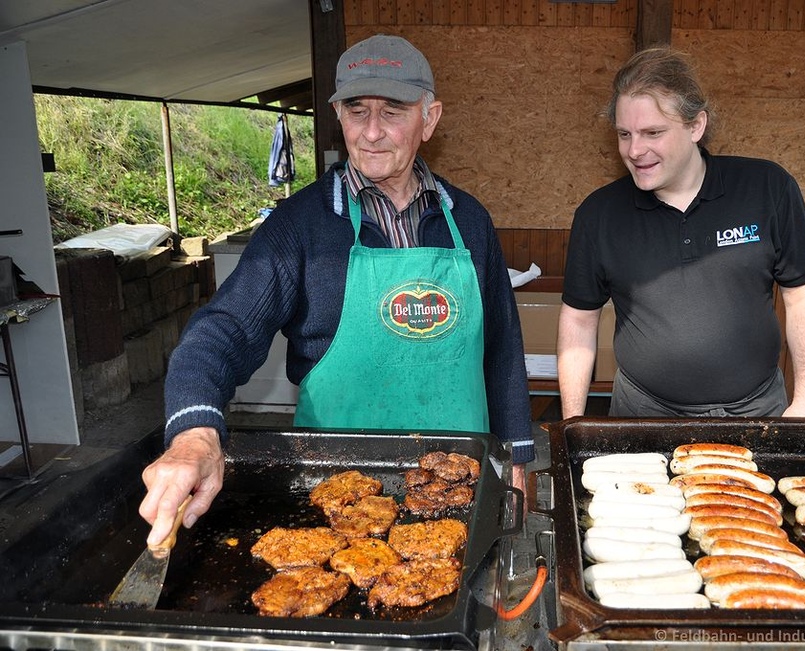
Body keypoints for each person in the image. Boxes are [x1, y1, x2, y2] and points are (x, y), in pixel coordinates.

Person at [139, 34, 534, 546]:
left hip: (459, 481)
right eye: (356, 110)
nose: (371, 132)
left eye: (392, 111)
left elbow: (502, 348)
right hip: (339, 491)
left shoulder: (470, 220)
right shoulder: (299, 226)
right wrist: (194, 432)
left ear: (429, 119)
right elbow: (223, 330)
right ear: (338, 115)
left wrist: (518, 454)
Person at [557, 46, 805, 420]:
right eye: (624, 134)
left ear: (696, 126)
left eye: (653, 132)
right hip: (642, 414)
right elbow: (579, 320)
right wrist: (573, 422)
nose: (634, 150)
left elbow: (803, 295)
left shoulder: (768, 188)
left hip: (757, 410)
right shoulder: (598, 214)